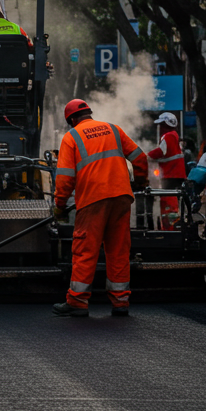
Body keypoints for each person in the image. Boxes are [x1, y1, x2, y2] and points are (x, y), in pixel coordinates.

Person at [51, 98, 149, 318]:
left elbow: (65, 179)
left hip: (93, 200)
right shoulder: (113, 129)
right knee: (118, 250)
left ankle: (77, 302)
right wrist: (141, 182)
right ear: (89, 114)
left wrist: (59, 206)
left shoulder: (72, 137)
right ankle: (121, 302)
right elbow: (140, 158)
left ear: (72, 120)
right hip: (122, 197)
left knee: (85, 250)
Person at [147, 112, 187, 229]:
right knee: (172, 200)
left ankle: (169, 226)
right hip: (176, 174)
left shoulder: (168, 136)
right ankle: (171, 224)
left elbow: (161, 151)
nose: (160, 128)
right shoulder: (174, 135)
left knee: (168, 200)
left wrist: (146, 156)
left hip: (171, 174)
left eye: (161, 125)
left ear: (165, 124)